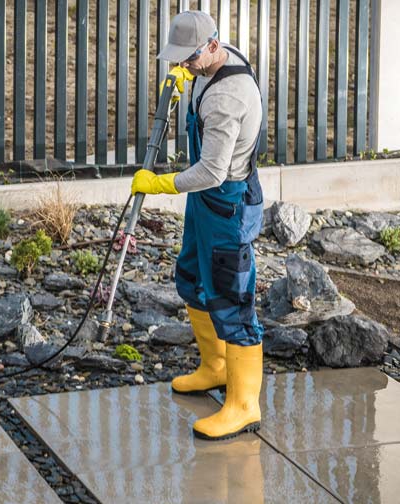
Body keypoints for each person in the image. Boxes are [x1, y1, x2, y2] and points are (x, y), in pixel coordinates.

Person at [131, 10, 264, 441]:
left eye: (187, 60)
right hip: (204, 205)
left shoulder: (227, 98)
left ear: (211, 45)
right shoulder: (214, 62)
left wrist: (160, 183)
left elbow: (211, 171)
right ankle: (215, 366)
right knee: (190, 278)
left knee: (232, 299)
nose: (181, 66)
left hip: (226, 203)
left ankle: (244, 405)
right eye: (178, 60)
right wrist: (188, 83)